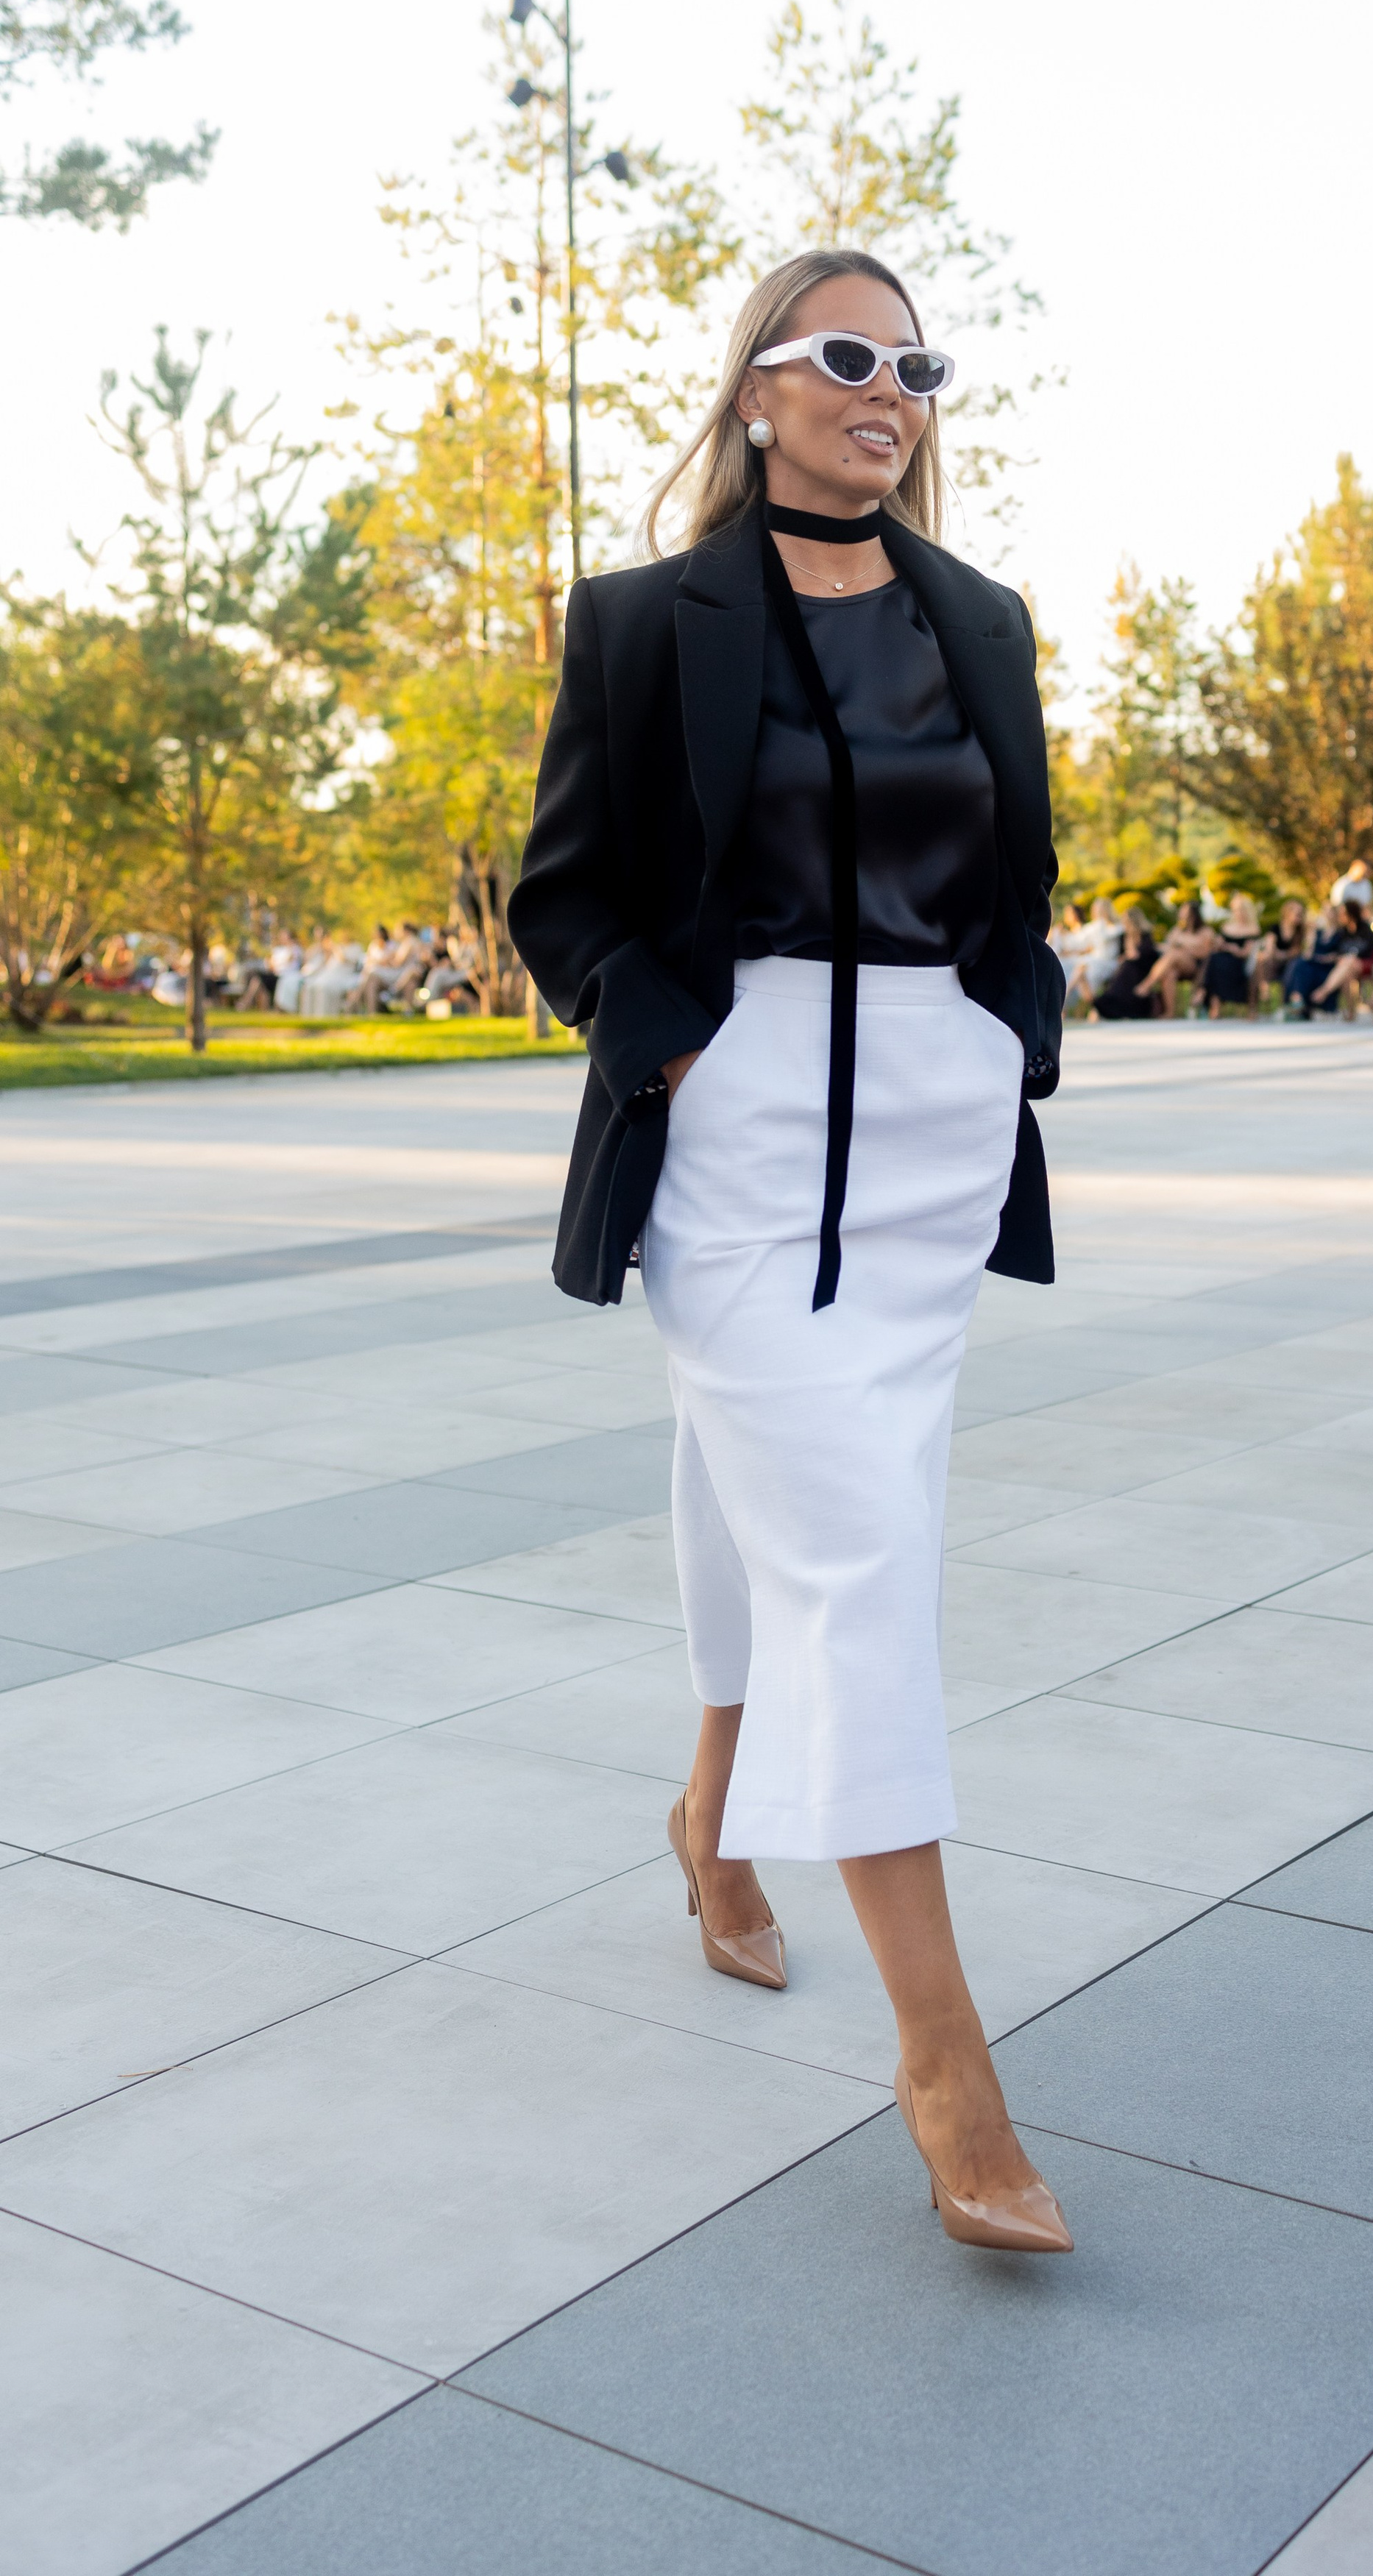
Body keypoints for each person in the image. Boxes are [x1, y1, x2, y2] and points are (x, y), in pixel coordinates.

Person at [508, 246, 1071, 2256]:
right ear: (755, 389)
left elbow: (1020, 879)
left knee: (793, 1517)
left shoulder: (982, 623)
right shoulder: (651, 623)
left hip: (930, 1148)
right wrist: (680, 1038)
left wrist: (1012, 1025)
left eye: (918, 364)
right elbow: (564, 893)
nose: (891, 390)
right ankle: (947, 2057)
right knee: (853, 1561)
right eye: (850, 356)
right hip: (739, 1148)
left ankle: (708, 1818)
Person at [1140, 898, 1215, 1015]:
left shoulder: (1206, 932)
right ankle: (1170, 1012)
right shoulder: (1177, 930)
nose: (1181, 914)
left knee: (1175, 954)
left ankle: (1148, 984)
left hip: (1197, 967)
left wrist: (1185, 949)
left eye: (1185, 911)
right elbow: (1168, 947)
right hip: (1177, 966)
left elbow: (1207, 953)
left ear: (1193, 914)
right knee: (1170, 973)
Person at [1201, 893, 1263, 1015]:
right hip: (1222, 960)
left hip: (1240, 963)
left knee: (1218, 963)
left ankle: (1203, 993)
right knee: (1214, 959)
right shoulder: (1227, 927)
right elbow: (1218, 946)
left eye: (1241, 910)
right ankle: (1213, 1003)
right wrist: (1218, 944)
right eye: (1236, 910)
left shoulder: (1253, 929)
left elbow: (1246, 953)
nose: (1239, 913)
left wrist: (1234, 949)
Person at [1093, 909, 1162, 1018]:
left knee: (1128, 966)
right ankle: (1113, 1001)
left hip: (1142, 970)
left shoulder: (1145, 936)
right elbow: (1122, 956)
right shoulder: (1123, 937)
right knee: (1126, 967)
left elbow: (1142, 955)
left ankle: (1117, 1003)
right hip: (1128, 969)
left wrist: (1130, 952)